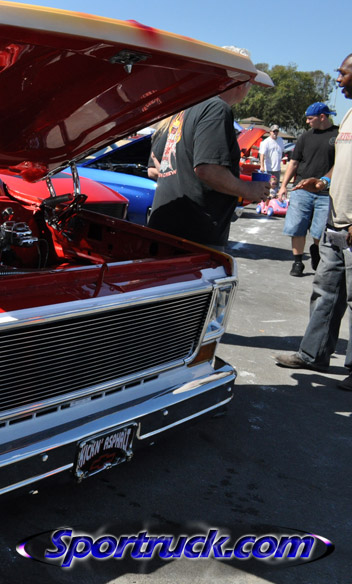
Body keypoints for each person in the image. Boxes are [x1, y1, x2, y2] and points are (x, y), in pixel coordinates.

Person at [274, 53, 352, 390]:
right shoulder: (348, 115)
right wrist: (324, 182)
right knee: (325, 292)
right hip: (337, 220)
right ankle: (313, 354)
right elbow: (343, 163)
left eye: (343, 73)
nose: (338, 79)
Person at [148, 49, 271, 250]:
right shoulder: (216, 108)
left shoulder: (182, 110)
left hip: (166, 227)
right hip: (195, 235)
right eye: (249, 80)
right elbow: (208, 170)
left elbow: (159, 166)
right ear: (240, 81)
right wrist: (249, 189)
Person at [277, 102, 339, 277]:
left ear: (322, 117)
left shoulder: (338, 135)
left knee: (321, 231)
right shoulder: (305, 137)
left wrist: (325, 181)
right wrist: (283, 186)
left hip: (326, 193)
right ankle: (297, 262)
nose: (307, 122)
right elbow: (294, 163)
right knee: (297, 226)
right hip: (301, 189)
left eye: (310, 118)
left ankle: (317, 251)